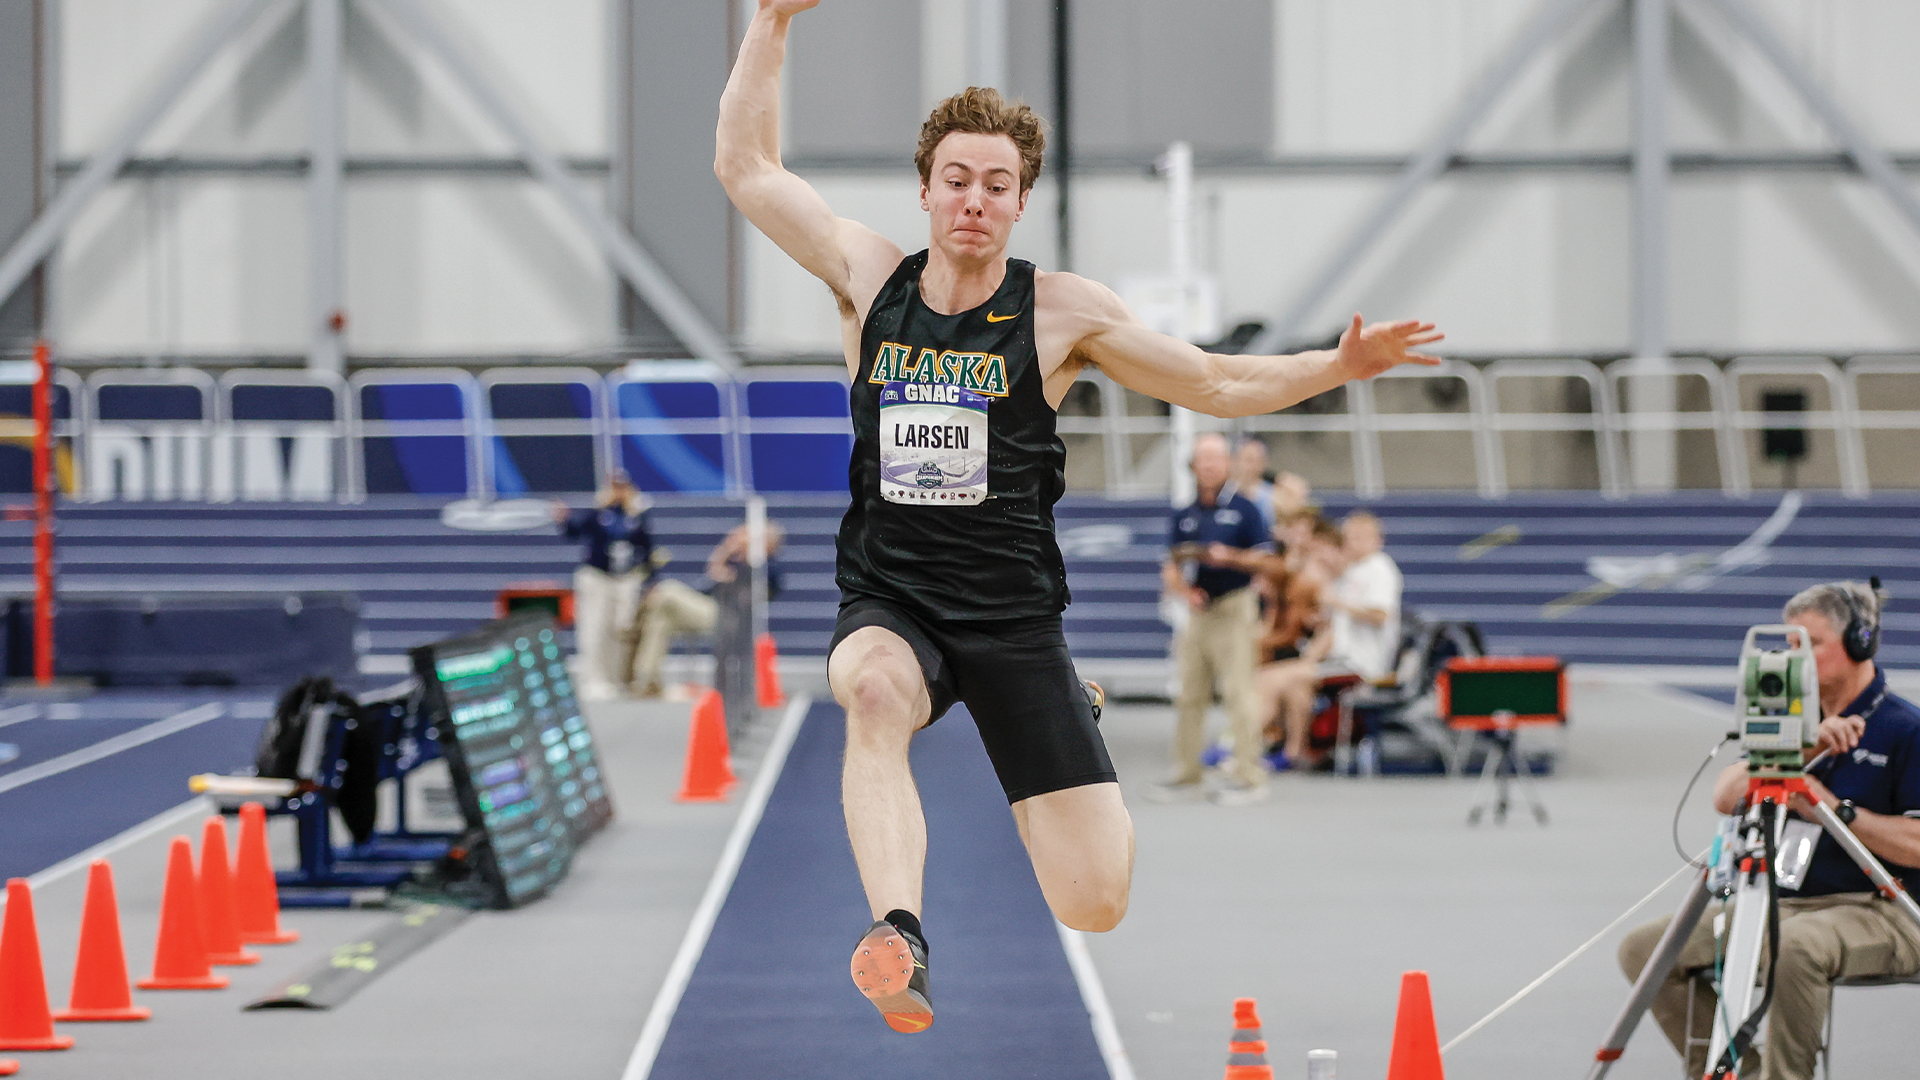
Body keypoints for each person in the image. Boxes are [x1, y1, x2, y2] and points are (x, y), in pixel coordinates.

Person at [716, 0, 1444, 1035]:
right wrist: (774, 23)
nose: (975, 199)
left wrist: (1338, 363)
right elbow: (747, 170)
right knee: (872, 695)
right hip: (892, 599)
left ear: (1021, 204)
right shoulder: (868, 279)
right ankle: (900, 934)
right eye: (957, 180)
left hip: (1014, 621)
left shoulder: (1060, 311)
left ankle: (1068, 701)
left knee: (1093, 900)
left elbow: (1220, 384)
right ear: (925, 190)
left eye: (997, 185)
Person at [1617, 582, 1920, 1080]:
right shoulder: (1793, 720)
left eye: (1811, 643)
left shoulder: (1906, 729)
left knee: (1796, 945)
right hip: (1779, 903)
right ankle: (1736, 1072)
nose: (1795, 658)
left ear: (1859, 643)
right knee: (1646, 950)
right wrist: (1803, 748)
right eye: (1789, 646)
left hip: (1885, 910)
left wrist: (1832, 807)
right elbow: (1727, 794)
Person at [1153, 433, 1272, 806]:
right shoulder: (1186, 513)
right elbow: (1171, 565)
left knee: (1239, 692)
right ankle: (1187, 772)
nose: (1209, 466)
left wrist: (1230, 557)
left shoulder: (1246, 509)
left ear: (1227, 465)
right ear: (1194, 465)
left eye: (1216, 459)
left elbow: (1268, 560)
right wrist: (1184, 593)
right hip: (1199, 611)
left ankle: (1249, 776)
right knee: (1189, 693)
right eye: (1203, 460)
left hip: (1235, 606)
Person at [627, 521, 787, 699]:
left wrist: (743, 561)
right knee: (660, 618)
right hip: (707, 605)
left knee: (666, 591)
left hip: (725, 614)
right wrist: (728, 546)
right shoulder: (737, 558)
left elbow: (754, 591)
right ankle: (647, 680)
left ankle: (631, 623)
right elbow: (713, 573)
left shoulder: (769, 567)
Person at [551, 471, 651, 701]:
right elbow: (575, 532)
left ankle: (618, 679)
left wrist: (649, 579)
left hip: (624, 579)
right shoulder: (598, 514)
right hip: (598, 577)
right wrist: (563, 519)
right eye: (614, 486)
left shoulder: (636, 516)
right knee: (594, 629)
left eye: (622, 486)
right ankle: (595, 681)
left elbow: (647, 549)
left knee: (621, 629)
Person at [1233, 436, 1275, 530]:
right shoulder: (1226, 492)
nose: (1249, 466)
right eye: (1247, 459)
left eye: (1255, 460)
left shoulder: (1271, 495)